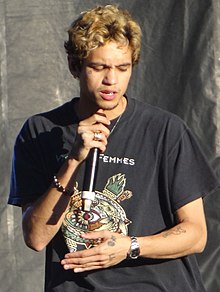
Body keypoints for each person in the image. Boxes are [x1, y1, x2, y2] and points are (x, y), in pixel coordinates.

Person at [8, 4, 219, 292]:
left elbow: (195, 235)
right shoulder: (40, 131)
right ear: (75, 66)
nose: (111, 80)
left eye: (122, 68)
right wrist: (72, 160)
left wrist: (130, 246)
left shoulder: (165, 130)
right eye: (99, 67)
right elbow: (36, 238)